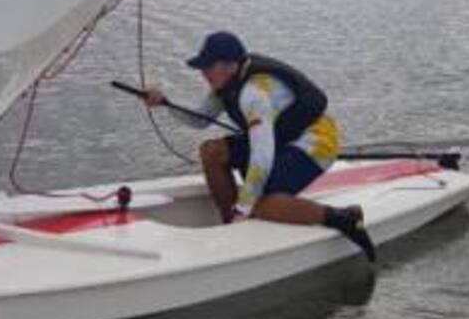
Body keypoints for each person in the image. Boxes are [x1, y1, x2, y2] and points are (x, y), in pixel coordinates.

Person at [144, 31, 376, 262]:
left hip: (317, 140)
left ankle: (344, 218)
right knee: (211, 151)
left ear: (230, 65)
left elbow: (261, 157)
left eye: (208, 66)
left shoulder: (253, 94)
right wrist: (165, 103)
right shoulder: (225, 86)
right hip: (280, 138)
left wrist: (244, 207)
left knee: (258, 202)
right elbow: (200, 119)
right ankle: (230, 227)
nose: (203, 72)